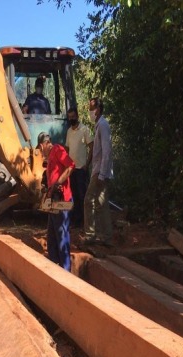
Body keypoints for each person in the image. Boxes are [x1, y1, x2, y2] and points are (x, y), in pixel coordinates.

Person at [38, 131, 75, 271]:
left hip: (62, 200)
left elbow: (71, 165)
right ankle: (54, 270)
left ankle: (66, 272)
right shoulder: (49, 158)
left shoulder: (58, 149)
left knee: (62, 236)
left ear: (44, 145)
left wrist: (58, 183)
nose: (41, 152)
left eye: (40, 149)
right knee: (52, 238)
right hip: (53, 201)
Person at [83, 97, 113, 246]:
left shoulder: (103, 125)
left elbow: (107, 151)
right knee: (101, 203)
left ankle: (91, 235)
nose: (89, 111)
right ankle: (105, 236)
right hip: (99, 170)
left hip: (100, 171)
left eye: (91, 108)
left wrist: (101, 173)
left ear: (98, 109)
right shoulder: (98, 126)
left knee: (88, 200)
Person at [65, 108, 93, 227]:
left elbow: (92, 146)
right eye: (69, 117)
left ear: (77, 116)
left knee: (83, 195)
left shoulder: (85, 129)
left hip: (81, 169)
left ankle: (86, 221)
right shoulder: (69, 132)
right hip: (71, 169)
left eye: (73, 116)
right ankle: (76, 220)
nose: (71, 119)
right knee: (74, 195)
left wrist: (87, 164)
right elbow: (67, 149)